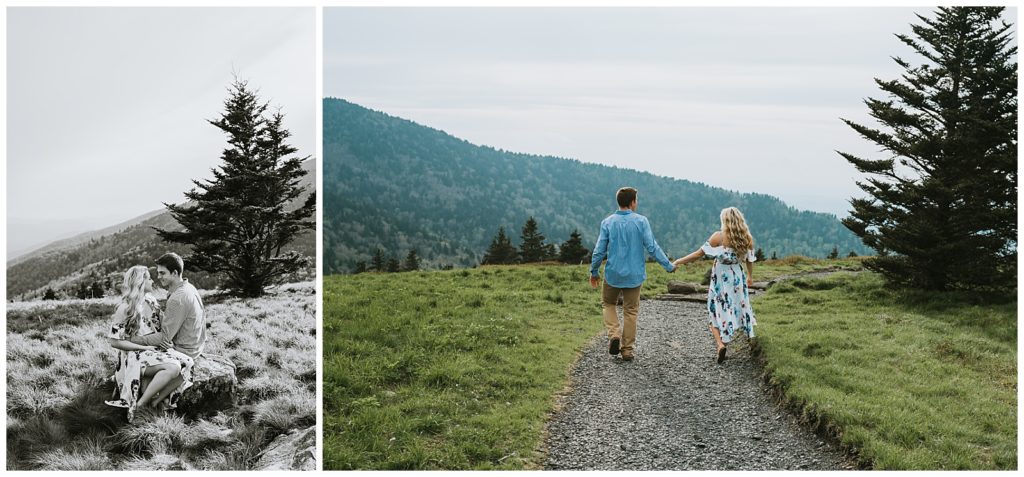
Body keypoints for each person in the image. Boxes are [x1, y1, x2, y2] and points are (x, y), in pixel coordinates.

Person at [590, 187, 676, 361]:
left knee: (608, 303)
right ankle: (627, 350)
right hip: (634, 275)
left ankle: (614, 333)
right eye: (636, 200)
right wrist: (668, 265)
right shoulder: (641, 221)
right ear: (632, 202)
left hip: (613, 273)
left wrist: (594, 271)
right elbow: (652, 247)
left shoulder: (607, 222)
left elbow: (599, 250)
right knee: (630, 311)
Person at [105, 265, 195, 421]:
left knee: (188, 362)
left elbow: (163, 328)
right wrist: (143, 347)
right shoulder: (125, 308)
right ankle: (140, 405)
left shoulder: (151, 301)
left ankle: (156, 402)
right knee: (173, 367)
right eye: (149, 278)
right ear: (140, 282)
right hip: (133, 354)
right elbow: (114, 342)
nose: (153, 281)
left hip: (152, 349)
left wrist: (167, 343)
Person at [674, 207, 757, 363]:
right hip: (737, 277)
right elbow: (749, 260)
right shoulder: (747, 238)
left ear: (724, 221)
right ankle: (730, 341)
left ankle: (720, 344)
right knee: (737, 307)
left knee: (715, 309)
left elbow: (699, 254)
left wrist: (679, 261)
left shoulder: (718, 237)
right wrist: (750, 277)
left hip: (720, 278)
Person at [128, 252, 207, 403]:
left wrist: (135, 340)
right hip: (196, 344)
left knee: (137, 356)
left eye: (162, 273)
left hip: (185, 349)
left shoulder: (178, 298)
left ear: (175, 273)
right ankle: (152, 399)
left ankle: (148, 400)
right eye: (157, 273)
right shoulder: (188, 287)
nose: (159, 277)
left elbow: (164, 337)